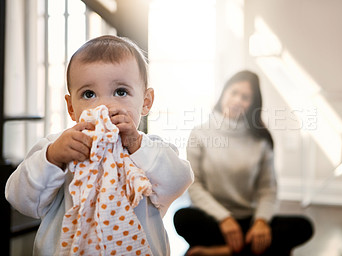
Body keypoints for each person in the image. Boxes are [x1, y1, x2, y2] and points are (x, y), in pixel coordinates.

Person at [5, 35, 194, 256]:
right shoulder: (57, 147)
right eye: (89, 94)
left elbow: (179, 181)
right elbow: (21, 200)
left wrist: (137, 144)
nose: (104, 105)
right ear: (71, 107)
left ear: (146, 102)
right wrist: (53, 158)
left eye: (121, 92)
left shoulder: (149, 148)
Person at [174, 70, 313, 256]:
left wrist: (261, 222)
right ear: (223, 93)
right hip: (213, 218)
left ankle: (223, 251)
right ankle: (254, 250)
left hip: (249, 220)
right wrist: (225, 219)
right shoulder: (199, 134)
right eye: (234, 93)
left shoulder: (260, 140)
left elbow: (268, 190)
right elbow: (195, 186)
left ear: (252, 104)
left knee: (303, 226)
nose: (238, 100)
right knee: (182, 218)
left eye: (245, 97)